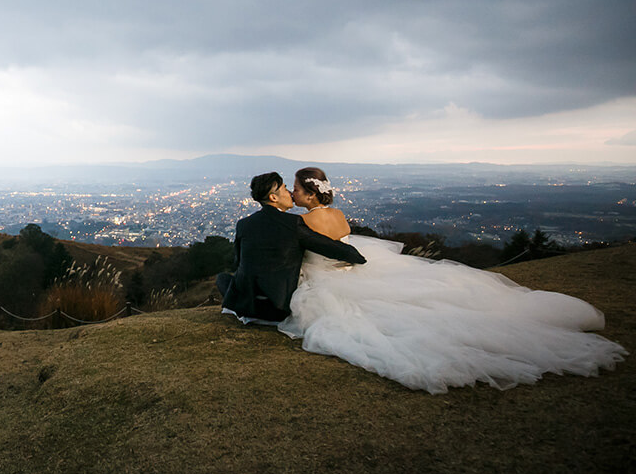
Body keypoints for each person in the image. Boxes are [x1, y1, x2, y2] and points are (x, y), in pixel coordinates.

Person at [279, 166, 628, 393]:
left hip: (329, 278)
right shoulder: (338, 214)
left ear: (310, 194)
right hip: (355, 269)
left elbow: (310, 252)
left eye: (295, 189)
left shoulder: (304, 223)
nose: (292, 194)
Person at [216, 172, 366, 324]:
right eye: (285, 189)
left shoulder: (243, 224)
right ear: (274, 198)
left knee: (222, 278)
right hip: (277, 308)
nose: (290, 194)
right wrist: (357, 257)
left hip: (245, 305)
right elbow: (329, 247)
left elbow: (238, 262)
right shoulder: (292, 223)